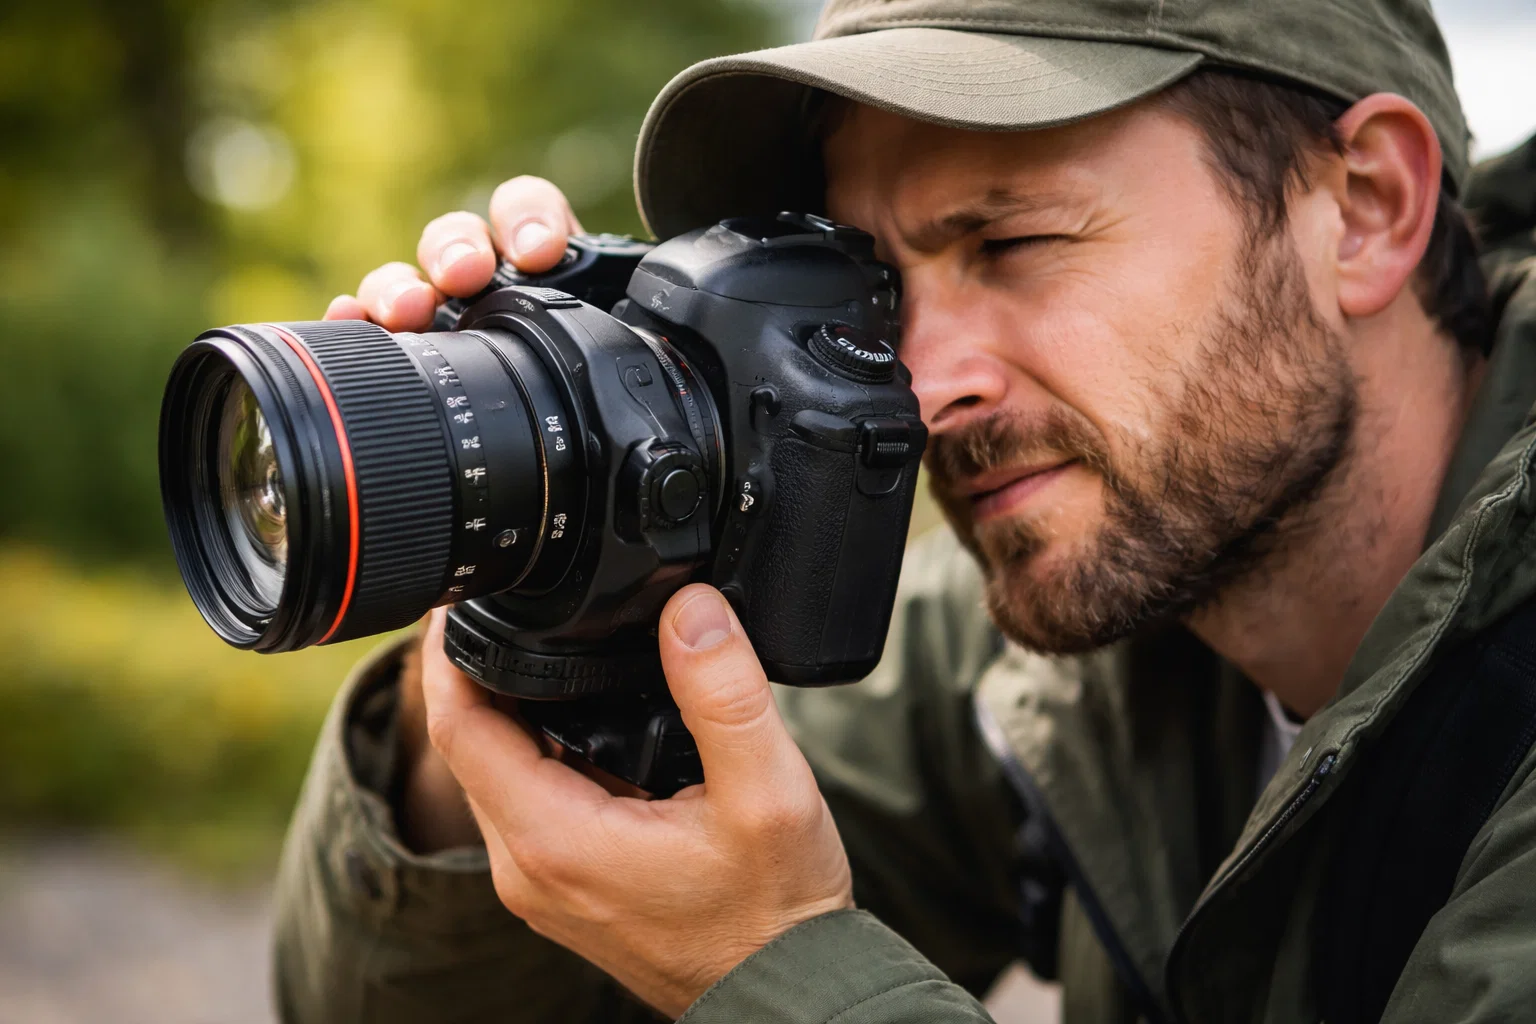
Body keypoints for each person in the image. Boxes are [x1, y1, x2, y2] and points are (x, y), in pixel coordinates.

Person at [272, 0, 1536, 1020]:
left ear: (1364, 207)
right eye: (873, 286)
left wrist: (773, 966)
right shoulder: (1028, 641)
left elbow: (754, 960)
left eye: (1012, 242)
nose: (921, 386)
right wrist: (531, 614)